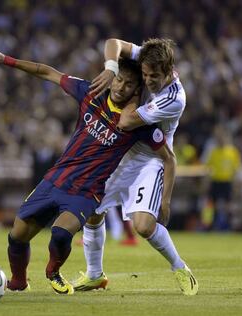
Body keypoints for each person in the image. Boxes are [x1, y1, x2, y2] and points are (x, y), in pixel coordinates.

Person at [0, 47, 174, 295]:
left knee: (59, 233)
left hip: (86, 192)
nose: (121, 87)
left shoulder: (139, 123)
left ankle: (53, 272)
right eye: (119, 80)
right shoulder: (91, 93)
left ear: (137, 90)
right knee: (16, 237)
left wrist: (164, 200)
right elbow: (46, 72)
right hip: (56, 179)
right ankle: (18, 281)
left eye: (128, 85)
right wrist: (5, 59)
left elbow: (169, 158)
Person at [73, 38, 198, 295]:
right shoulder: (148, 57)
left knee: (143, 227)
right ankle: (95, 275)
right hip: (122, 151)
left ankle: (180, 267)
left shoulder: (174, 98)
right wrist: (110, 68)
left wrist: (166, 200)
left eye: (154, 76)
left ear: (168, 70)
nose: (148, 80)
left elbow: (126, 122)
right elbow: (112, 42)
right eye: (144, 74)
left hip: (150, 158)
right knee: (92, 208)